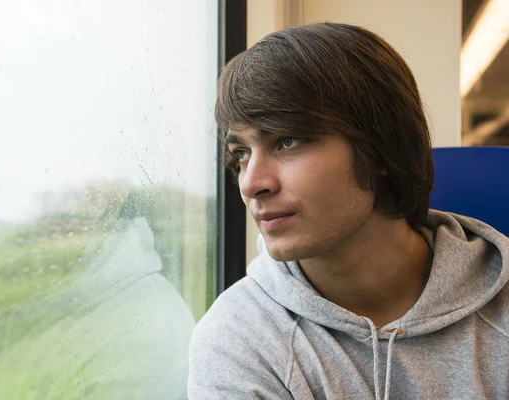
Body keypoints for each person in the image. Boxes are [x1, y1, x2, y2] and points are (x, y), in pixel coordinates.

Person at [188, 22, 509, 400]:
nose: (250, 183)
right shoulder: (241, 338)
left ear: (380, 150)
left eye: (288, 141)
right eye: (241, 154)